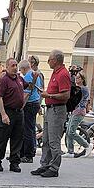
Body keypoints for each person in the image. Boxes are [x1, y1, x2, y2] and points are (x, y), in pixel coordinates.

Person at [32, 50, 71, 178]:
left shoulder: (63, 74)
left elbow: (66, 95)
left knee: (54, 141)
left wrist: (48, 95)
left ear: (55, 60)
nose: (48, 61)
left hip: (57, 110)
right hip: (50, 109)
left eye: (49, 59)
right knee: (46, 140)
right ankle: (45, 165)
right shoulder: (56, 73)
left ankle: (54, 168)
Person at [0, 58, 28, 173]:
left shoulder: (19, 79)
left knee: (17, 138)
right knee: (2, 138)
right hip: (8, 111)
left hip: (19, 112)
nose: (15, 67)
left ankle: (14, 163)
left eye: (16, 65)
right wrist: (3, 114)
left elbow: (28, 87)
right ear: (7, 67)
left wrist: (35, 77)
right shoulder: (4, 80)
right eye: (12, 65)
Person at [21, 55, 45, 162]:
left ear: (24, 68)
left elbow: (27, 94)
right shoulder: (37, 75)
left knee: (28, 130)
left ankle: (28, 155)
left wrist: (21, 106)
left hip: (29, 104)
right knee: (30, 129)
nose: (21, 72)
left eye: (21, 70)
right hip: (35, 103)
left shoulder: (28, 76)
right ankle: (26, 153)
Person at [64, 72, 91, 158]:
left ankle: (87, 145)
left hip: (79, 112)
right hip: (74, 111)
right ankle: (70, 151)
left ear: (83, 79)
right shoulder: (79, 88)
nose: (77, 79)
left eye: (79, 78)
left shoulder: (83, 88)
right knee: (68, 131)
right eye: (76, 77)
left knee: (71, 131)